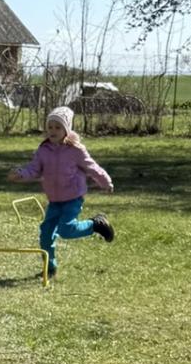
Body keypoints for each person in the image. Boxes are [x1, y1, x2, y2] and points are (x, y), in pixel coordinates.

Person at [11, 105, 115, 276]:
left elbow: (92, 167)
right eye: (50, 127)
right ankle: (49, 268)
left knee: (66, 230)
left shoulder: (76, 150)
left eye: (58, 127)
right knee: (46, 233)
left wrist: (105, 181)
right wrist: (21, 174)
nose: (53, 131)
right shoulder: (43, 150)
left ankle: (95, 224)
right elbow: (34, 169)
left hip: (73, 197)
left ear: (66, 130)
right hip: (54, 200)